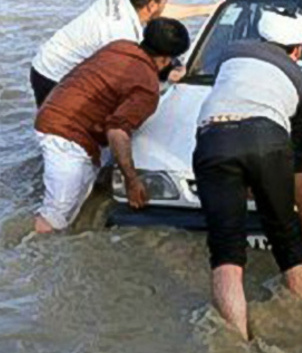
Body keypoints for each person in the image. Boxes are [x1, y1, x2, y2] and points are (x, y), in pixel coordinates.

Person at [192, 7, 302, 340]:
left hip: (213, 138)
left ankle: (237, 341)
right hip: (269, 139)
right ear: (299, 50)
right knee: (285, 234)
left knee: (225, 248)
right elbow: (297, 166)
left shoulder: (231, 51)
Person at [32, 18, 191, 234]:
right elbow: (117, 131)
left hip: (52, 111)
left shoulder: (120, 46)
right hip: (65, 135)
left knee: (76, 205)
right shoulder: (146, 88)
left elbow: (123, 80)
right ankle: (33, 256)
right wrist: (132, 181)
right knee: (55, 216)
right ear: (166, 59)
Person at [29, 0, 218, 106]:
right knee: (61, 130)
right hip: (54, 74)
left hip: (47, 58)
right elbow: (129, 76)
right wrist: (168, 74)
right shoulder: (122, 34)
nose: (166, 4)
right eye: (165, 0)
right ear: (152, 5)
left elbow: (158, 12)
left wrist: (205, 10)